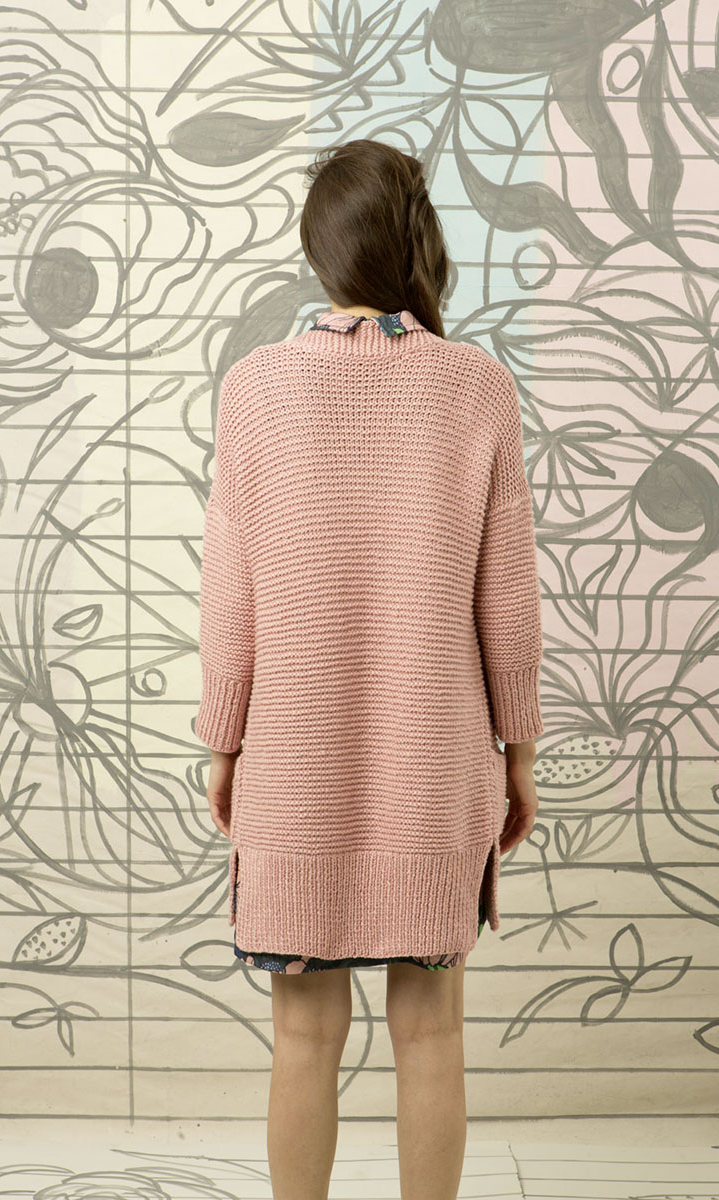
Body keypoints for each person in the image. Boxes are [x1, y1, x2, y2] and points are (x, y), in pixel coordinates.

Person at [195, 137, 544, 1200]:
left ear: (320, 251)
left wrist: (224, 745)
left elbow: (231, 597)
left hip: (292, 767)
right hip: (435, 768)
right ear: (418, 241)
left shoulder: (254, 390)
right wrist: (519, 755)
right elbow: (507, 601)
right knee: (431, 1031)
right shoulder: (477, 387)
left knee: (303, 1036)